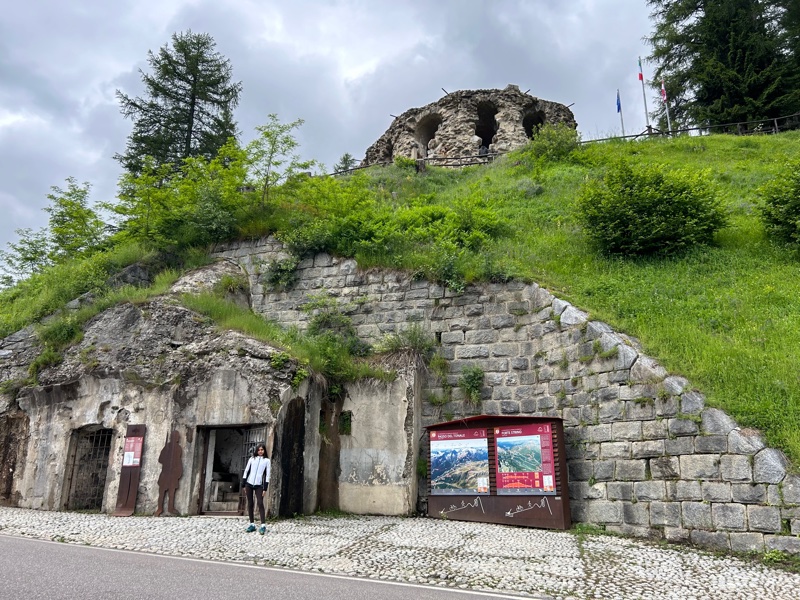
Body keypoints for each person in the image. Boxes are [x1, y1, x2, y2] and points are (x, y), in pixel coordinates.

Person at [242, 442, 270, 534]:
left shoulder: (267, 461)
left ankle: (263, 525)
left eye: (262, 450)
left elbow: (267, 475)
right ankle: (252, 524)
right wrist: (243, 484)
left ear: (264, 451)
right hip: (249, 484)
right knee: (250, 503)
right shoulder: (252, 459)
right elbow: (246, 471)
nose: (260, 451)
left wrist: (265, 488)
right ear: (257, 451)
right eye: (259, 450)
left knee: (260, 503)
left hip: (259, 485)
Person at [155, 430, 183, 516]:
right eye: (176, 436)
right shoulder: (167, 447)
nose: (178, 438)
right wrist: (166, 458)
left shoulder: (178, 448)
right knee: (162, 492)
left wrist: (179, 471)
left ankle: (171, 508)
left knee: (172, 492)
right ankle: (160, 508)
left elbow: (178, 460)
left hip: (173, 473)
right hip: (166, 472)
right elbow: (160, 459)